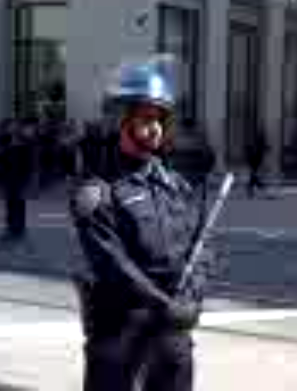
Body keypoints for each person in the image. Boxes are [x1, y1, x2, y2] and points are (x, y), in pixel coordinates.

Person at [69, 55, 213, 391]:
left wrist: (194, 297)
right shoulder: (97, 191)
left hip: (170, 330)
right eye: (146, 118)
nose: (155, 128)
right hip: (121, 329)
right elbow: (112, 264)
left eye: (160, 119)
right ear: (121, 120)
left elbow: (203, 246)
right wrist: (165, 305)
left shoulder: (176, 186)